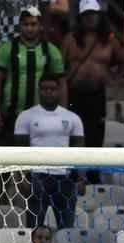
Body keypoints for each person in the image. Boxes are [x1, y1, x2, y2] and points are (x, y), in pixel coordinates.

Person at [64, 0, 124, 182]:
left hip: (97, 94)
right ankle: (74, 175)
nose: (90, 18)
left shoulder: (110, 40)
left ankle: (93, 176)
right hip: (74, 93)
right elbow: (60, 67)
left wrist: (114, 78)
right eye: (87, 14)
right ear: (81, 17)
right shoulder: (70, 39)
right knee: (75, 136)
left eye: (93, 14)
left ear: (100, 16)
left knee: (95, 137)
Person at [13, 74, 83, 229]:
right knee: (35, 227)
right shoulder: (26, 116)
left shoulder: (72, 118)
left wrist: (81, 178)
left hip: (65, 177)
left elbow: (80, 150)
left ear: (59, 91)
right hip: (37, 176)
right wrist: (20, 178)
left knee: (67, 229)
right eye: (45, 89)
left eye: (52, 89)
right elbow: (18, 151)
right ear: (39, 91)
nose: (49, 92)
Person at [0, 7, 65, 146]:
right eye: (26, 24)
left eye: (33, 24)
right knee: (7, 161)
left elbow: (61, 83)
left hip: (42, 115)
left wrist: (62, 112)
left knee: (37, 159)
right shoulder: (7, 49)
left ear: (40, 26)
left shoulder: (50, 50)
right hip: (12, 115)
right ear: (20, 26)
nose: (29, 28)